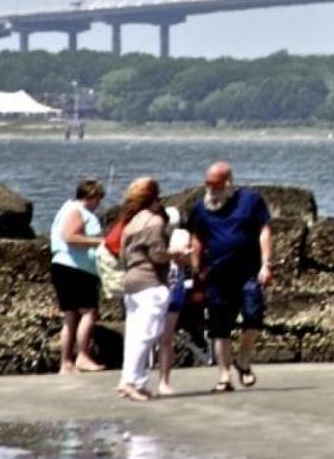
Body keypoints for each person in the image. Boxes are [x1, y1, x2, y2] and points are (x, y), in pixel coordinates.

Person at [186, 162, 274, 392]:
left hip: (248, 271)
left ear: (228, 183)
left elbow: (264, 231)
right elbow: (196, 239)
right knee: (219, 326)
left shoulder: (250, 200)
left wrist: (266, 264)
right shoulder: (200, 208)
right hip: (216, 273)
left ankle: (243, 361)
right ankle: (224, 376)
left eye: (214, 185)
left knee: (254, 317)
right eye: (207, 184)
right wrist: (196, 270)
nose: (210, 189)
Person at [113, 177, 173, 402]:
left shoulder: (130, 224)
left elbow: (121, 256)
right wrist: (175, 254)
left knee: (134, 334)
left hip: (131, 281)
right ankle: (131, 382)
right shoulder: (154, 222)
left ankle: (132, 381)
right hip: (150, 281)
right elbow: (157, 255)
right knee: (147, 334)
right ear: (154, 200)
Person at [49, 178, 109, 374]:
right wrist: (99, 241)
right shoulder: (77, 211)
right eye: (98, 198)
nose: (99, 203)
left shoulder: (67, 209)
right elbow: (70, 236)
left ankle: (66, 362)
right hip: (75, 268)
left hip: (65, 267)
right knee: (89, 312)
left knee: (70, 316)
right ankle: (82, 355)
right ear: (91, 196)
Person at [155, 206, 202, 397]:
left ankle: (164, 380)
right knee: (157, 337)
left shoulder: (180, 234)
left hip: (174, 286)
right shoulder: (153, 235)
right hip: (158, 286)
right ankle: (153, 380)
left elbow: (187, 259)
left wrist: (177, 254)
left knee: (166, 336)